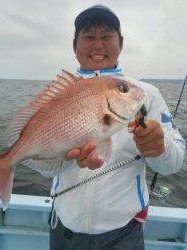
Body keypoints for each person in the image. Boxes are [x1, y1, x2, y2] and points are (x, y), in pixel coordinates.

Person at [47, 5, 186, 250]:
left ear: (120, 43)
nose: (98, 44)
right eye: (89, 36)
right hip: (63, 225)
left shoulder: (144, 94)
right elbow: (45, 169)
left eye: (107, 36)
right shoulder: (59, 96)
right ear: (74, 46)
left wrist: (159, 147)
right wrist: (67, 159)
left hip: (123, 233)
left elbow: (173, 163)